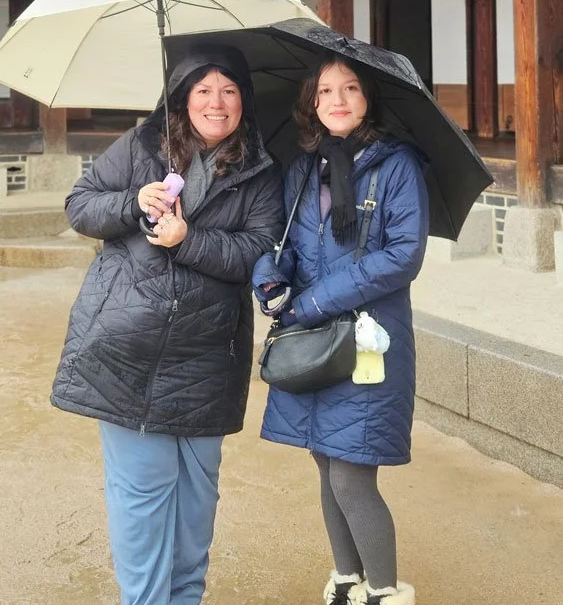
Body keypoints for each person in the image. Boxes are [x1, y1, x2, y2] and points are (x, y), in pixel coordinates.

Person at [51, 45, 284, 605]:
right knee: (143, 497)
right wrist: (134, 202)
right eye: (202, 90)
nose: (216, 101)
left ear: (243, 101)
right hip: (126, 347)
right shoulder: (141, 146)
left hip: (208, 355)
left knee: (197, 501)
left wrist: (189, 242)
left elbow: (256, 249)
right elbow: (81, 205)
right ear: (182, 97)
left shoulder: (260, 169)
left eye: (228, 90)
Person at [253, 55, 429, 605]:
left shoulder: (397, 165)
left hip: (367, 340)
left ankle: (383, 591)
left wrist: (309, 304)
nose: (338, 99)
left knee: (353, 476)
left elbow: (402, 255)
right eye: (325, 90)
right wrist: (269, 281)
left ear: (367, 98)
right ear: (311, 103)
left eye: (350, 88)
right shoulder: (302, 168)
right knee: (327, 463)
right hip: (311, 345)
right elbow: (276, 243)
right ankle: (347, 580)